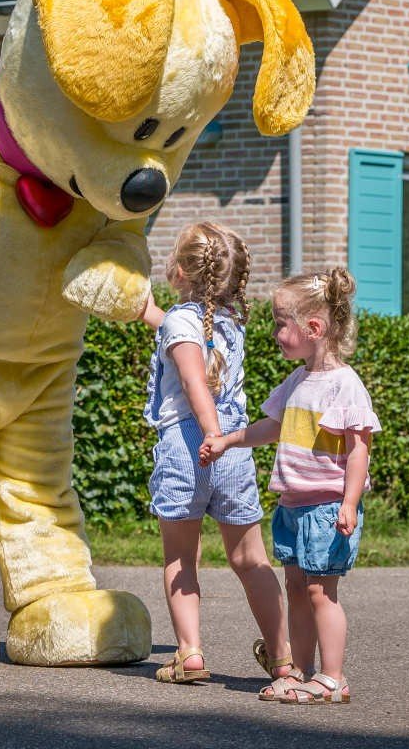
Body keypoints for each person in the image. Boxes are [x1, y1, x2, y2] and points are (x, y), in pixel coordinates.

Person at [201, 268, 380, 704]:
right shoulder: (298, 381)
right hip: (293, 505)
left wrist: (349, 502)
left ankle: (333, 679)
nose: (276, 333)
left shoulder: (345, 385)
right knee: (298, 590)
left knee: (321, 592)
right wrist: (228, 440)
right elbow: (273, 426)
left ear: (313, 328)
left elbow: (359, 450)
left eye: (281, 324)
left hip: (326, 508)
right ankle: (301, 671)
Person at [140, 222, 292, 691]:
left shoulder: (182, 323)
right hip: (234, 449)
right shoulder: (228, 323)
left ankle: (190, 653)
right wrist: (149, 313)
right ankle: (283, 657)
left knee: (181, 557)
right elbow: (184, 335)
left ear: (181, 270)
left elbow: (193, 381)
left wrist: (210, 433)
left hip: (190, 447)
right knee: (250, 559)